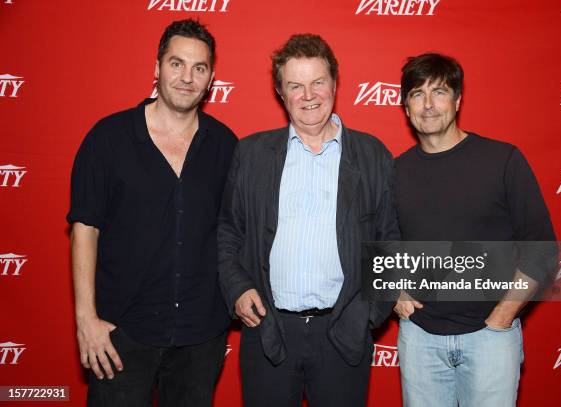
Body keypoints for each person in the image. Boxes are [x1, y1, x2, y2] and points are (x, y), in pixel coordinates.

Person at [218, 33, 398, 407]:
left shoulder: (372, 155)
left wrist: (367, 313)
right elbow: (228, 233)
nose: (309, 95)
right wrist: (237, 289)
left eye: (317, 82)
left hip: (343, 333)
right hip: (268, 331)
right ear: (281, 94)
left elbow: (389, 242)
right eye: (295, 86)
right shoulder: (251, 154)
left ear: (334, 82)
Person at [67, 19, 236, 407]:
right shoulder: (107, 139)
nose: (187, 77)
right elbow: (85, 229)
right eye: (176, 64)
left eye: (199, 68)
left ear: (211, 78)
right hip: (121, 333)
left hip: (200, 337)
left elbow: (235, 233)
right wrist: (85, 320)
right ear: (157, 67)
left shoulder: (225, 146)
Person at [394, 53, 556, 406]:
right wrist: (393, 292)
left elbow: (541, 247)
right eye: (417, 94)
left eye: (438, 92)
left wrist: (502, 316)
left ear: (458, 99)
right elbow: (382, 241)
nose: (428, 105)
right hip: (420, 339)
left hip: (490, 339)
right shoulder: (396, 172)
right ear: (406, 107)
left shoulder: (502, 160)